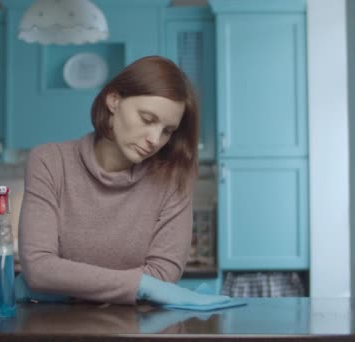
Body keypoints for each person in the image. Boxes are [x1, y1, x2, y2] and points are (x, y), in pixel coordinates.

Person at [16, 55, 230, 307]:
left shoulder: (173, 178)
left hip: (136, 329)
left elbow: (163, 276)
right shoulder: (49, 161)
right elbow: (40, 269)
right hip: (55, 327)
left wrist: (67, 285)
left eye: (167, 131)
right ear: (114, 100)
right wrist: (141, 286)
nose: (155, 139)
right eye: (148, 119)